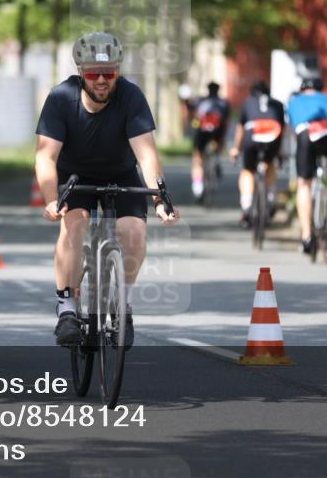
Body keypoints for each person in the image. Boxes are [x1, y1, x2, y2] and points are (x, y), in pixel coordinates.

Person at [35, 31, 180, 347]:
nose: (101, 80)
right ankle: (67, 308)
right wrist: (51, 199)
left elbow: (146, 155)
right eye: (93, 73)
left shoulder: (131, 97)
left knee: (133, 233)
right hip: (75, 177)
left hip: (121, 175)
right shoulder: (61, 98)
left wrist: (160, 199)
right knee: (75, 225)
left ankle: (122, 306)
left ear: (117, 71)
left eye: (109, 72)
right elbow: (46, 156)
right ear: (80, 73)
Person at [286, 77, 327, 255]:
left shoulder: (294, 101)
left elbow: (292, 130)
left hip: (307, 132)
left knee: (304, 184)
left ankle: (307, 236)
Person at [229, 80, 284, 228]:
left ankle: (247, 204)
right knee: (270, 162)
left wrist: (236, 149)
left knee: (247, 170)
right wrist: (280, 152)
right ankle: (271, 198)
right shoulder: (277, 104)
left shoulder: (247, 102)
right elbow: (281, 130)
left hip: (252, 135)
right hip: (273, 134)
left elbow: (241, 129)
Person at [189, 82, 230, 203]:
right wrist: (223, 139)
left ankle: (197, 187)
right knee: (219, 139)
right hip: (217, 131)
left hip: (202, 131)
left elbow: (195, 117)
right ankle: (217, 158)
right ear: (218, 90)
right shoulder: (224, 102)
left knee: (197, 158)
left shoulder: (200, 100)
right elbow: (226, 122)